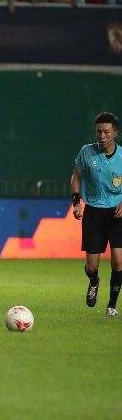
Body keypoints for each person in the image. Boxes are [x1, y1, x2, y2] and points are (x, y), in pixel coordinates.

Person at [71, 111, 122, 317]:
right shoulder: (86, 152)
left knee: (118, 260)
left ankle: (112, 305)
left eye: (106, 132)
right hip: (93, 213)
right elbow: (76, 176)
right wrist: (76, 202)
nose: (102, 136)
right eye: (99, 132)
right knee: (91, 266)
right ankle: (94, 281)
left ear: (115, 133)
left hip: (117, 214)